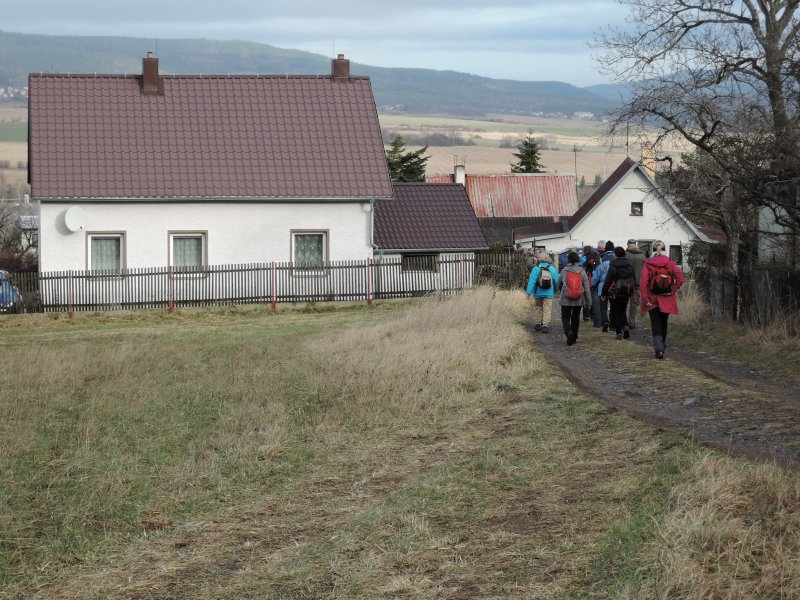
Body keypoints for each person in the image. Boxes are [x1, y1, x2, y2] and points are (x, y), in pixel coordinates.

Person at [640, 240, 685, 359]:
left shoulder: (648, 264)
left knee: (655, 322)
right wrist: (672, 290)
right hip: (667, 298)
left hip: (652, 298)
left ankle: (659, 349)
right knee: (663, 322)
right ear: (665, 250)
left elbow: (643, 282)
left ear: (652, 250)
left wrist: (645, 298)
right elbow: (680, 279)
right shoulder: (670, 263)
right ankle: (661, 347)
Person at [601, 246, 635, 339]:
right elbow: (633, 279)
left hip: (615, 292)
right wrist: (632, 290)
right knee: (623, 311)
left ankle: (619, 333)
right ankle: (625, 326)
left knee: (615, 312)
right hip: (626, 291)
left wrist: (604, 294)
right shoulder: (630, 265)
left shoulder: (613, 266)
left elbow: (607, 281)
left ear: (615, 255)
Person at [558, 251, 592, 345]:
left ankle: (568, 331)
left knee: (565, 317)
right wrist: (588, 302)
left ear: (568, 259)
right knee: (575, 317)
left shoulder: (564, 270)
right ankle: (574, 337)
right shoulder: (582, 271)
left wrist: (563, 290)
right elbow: (587, 288)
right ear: (578, 259)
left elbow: (559, 283)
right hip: (579, 298)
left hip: (566, 297)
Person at [526, 252, 559, 333]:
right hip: (549, 293)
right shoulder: (552, 268)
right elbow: (557, 280)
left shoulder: (535, 269)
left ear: (538, 259)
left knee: (538, 308)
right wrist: (557, 290)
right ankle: (545, 326)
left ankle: (537, 324)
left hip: (538, 293)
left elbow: (532, 281)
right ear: (547, 259)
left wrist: (528, 292)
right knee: (547, 309)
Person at [592, 240, 616, 331]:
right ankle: (613, 325)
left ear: (605, 250)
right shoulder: (616, 259)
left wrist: (593, 284)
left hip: (603, 287)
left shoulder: (601, 260)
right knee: (613, 306)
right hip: (614, 287)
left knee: (603, 306)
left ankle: (605, 321)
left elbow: (596, 277)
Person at [625, 239, 645, 329]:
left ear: (628, 245)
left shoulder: (625, 255)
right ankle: (632, 323)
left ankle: (623, 322)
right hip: (637, 283)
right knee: (634, 304)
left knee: (624, 303)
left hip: (625, 283)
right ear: (636, 245)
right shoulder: (642, 255)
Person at [580, 245, 598, 322]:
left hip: (586, 278)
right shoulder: (596, 256)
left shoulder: (583, 258)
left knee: (585, 296)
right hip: (594, 278)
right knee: (593, 297)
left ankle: (586, 316)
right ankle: (593, 315)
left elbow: (581, 267)